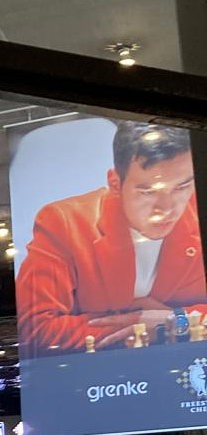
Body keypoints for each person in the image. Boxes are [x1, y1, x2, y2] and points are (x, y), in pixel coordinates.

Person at [17, 122, 202, 356]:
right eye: (148, 192)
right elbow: (35, 330)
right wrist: (144, 325)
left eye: (182, 187)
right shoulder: (63, 222)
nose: (166, 208)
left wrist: (176, 320)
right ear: (115, 183)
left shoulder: (198, 213)